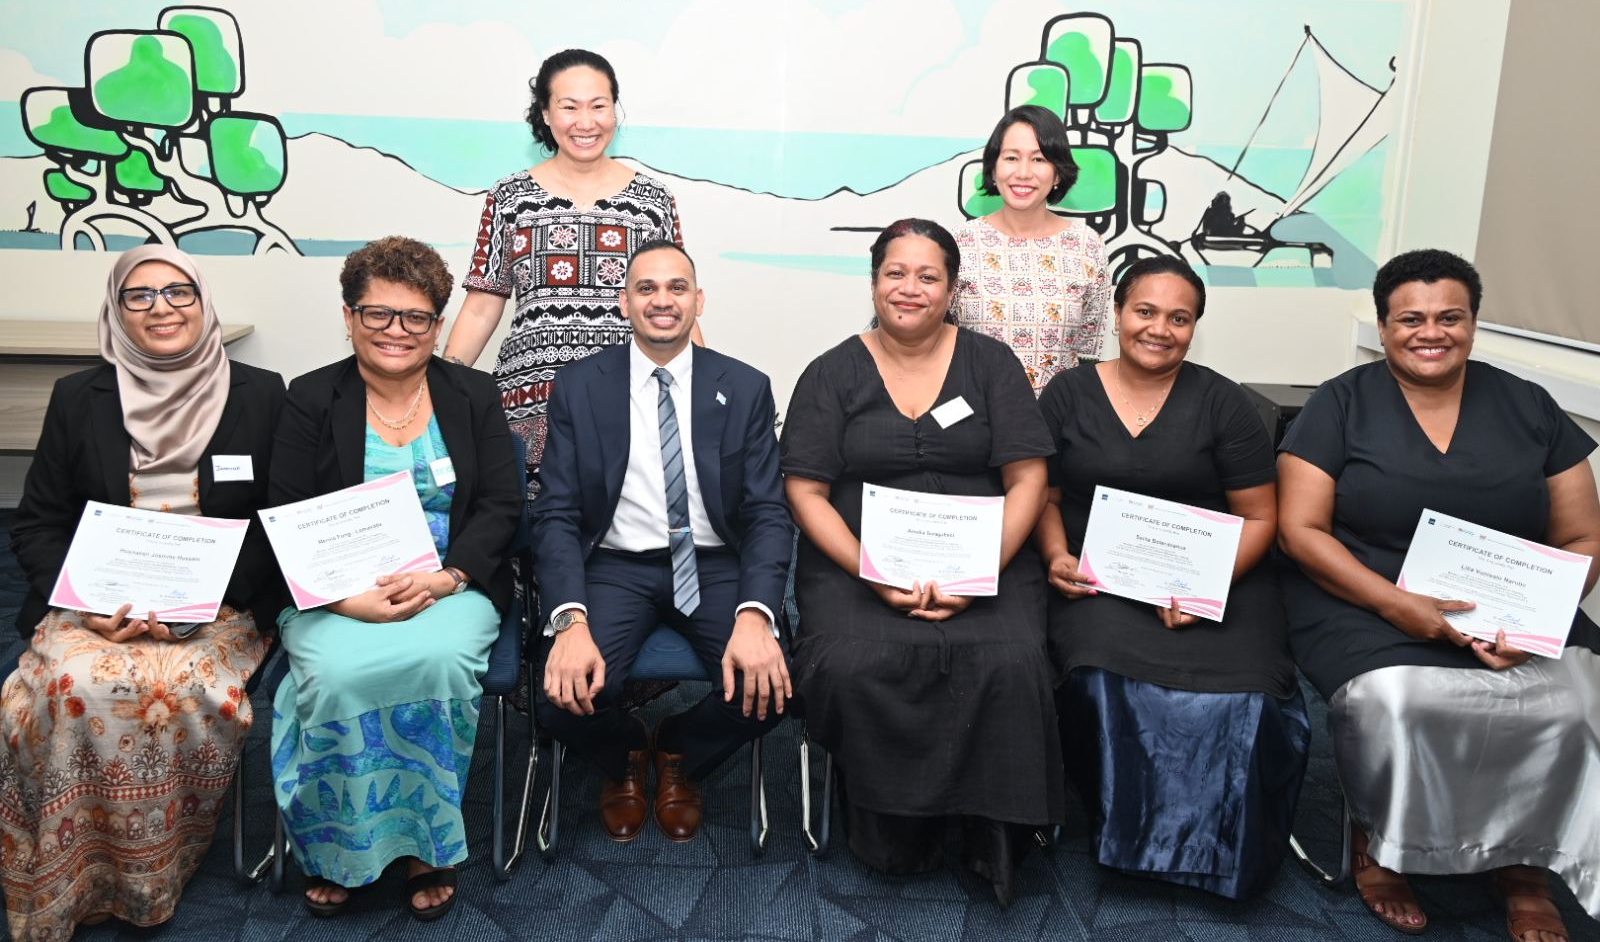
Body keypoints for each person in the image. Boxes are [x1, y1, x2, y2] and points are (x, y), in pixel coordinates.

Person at [1277, 249, 1600, 940]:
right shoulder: (1340, 402)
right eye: (1411, 319)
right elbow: (1301, 530)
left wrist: (1538, 620)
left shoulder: (1528, 406)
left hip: (1513, 605)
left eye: (1450, 317)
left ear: (1473, 322)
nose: (1431, 332)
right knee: (1400, 699)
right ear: (1384, 326)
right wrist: (1398, 605)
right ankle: (1383, 841)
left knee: (1574, 701)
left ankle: (1524, 864)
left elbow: (1582, 536)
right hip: (1364, 593)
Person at [2, 246, 283, 940]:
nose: (163, 308)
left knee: (175, 688)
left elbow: (277, 519)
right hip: (99, 601)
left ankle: (151, 869)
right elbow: (37, 522)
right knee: (72, 684)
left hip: (218, 604)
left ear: (203, 301)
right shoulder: (79, 396)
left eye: (179, 291)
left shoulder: (261, 392)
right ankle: (74, 872)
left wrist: (202, 602)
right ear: (116, 311)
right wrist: (85, 602)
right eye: (141, 295)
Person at [781, 218, 1062, 906]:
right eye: (895, 273)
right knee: (854, 662)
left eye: (927, 276)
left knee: (1011, 661)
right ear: (874, 281)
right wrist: (872, 570)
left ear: (952, 288)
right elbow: (806, 492)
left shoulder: (992, 365)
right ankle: (896, 830)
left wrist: (981, 571)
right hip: (857, 560)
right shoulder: (831, 372)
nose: (910, 288)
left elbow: (1028, 478)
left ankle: (992, 833)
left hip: (985, 556)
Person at [1035, 255, 1309, 899]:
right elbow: (1044, 496)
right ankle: (1130, 837)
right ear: (1118, 315)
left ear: (1194, 328)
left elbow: (1260, 517)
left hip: (1218, 577)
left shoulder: (1225, 403)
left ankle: (1223, 850)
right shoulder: (1068, 393)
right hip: (1100, 578)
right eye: (1146, 311)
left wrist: (1207, 585)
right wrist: (1054, 557)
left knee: (1250, 694)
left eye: (1179, 318)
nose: (1160, 329)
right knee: (1103, 677)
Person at [268, 237, 520, 921]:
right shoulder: (312, 397)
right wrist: (348, 600)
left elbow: (502, 504)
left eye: (415, 317)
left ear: (437, 325)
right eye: (377, 313)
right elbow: (286, 510)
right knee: (336, 674)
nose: (396, 331)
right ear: (349, 317)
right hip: (334, 589)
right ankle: (339, 849)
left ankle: (425, 846)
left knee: (439, 662)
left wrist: (446, 578)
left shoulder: (472, 393)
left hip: (449, 584)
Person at [532, 240, 791, 843]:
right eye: (646, 288)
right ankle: (626, 751)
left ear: (699, 300)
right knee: (555, 694)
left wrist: (757, 614)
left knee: (772, 687)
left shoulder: (745, 386)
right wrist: (569, 620)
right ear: (624, 303)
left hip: (713, 561)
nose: (662, 300)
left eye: (677, 287)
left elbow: (767, 512)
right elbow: (557, 512)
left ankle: (677, 749)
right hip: (615, 565)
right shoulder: (580, 386)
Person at [444, 48, 689, 500]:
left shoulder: (653, 201)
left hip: (629, 403)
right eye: (569, 107)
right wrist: (440, 388)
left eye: (598, 106)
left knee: (627, 528)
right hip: (528, 404)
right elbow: (481, 307)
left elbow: (675, 305)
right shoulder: (508, 197)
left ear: (615, 111)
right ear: (545, 113)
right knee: (532, 530)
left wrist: (705, 388)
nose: (586, 122)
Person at [954, 104, 1111, 392]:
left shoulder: (1088, 246)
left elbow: (1088, 352)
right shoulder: (960, 244)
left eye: (1039, 159)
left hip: (1058, 415)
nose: (1023, 173)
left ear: (1058, 173)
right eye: (1011, 157)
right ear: (993, 168)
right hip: (976, 412)